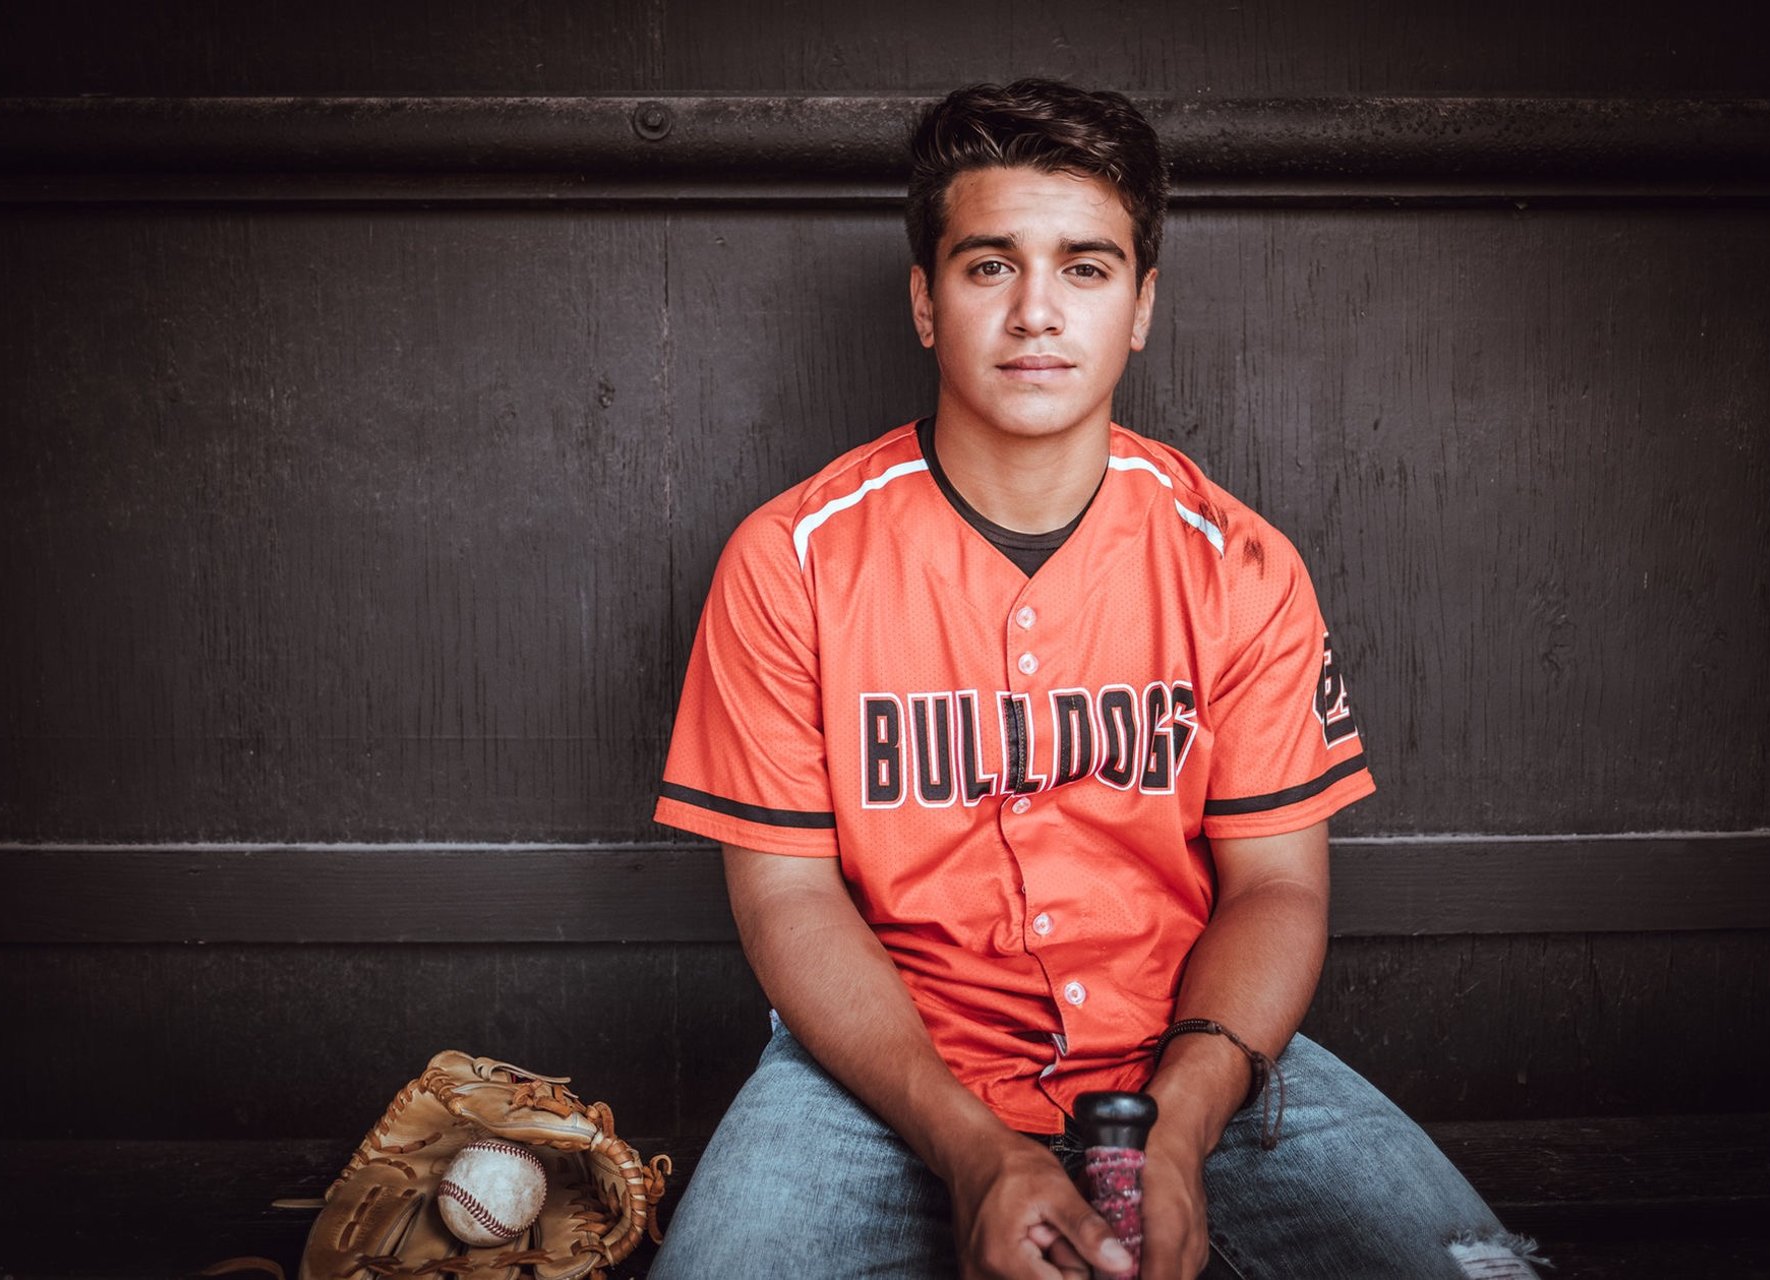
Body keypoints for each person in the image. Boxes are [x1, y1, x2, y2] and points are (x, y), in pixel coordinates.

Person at [648, 79, 1543, 1280]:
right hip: (879, 1066)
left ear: (1140, 306)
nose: (1034, 312)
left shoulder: (1241, 563)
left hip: (1183, 1047)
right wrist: (971, 1147)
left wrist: (1184, 1120)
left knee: (1478, 1271)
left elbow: (1278, 888)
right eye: (986, 266)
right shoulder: (792, 560)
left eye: (1084, 267)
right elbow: (786, 901)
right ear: (924, 300)